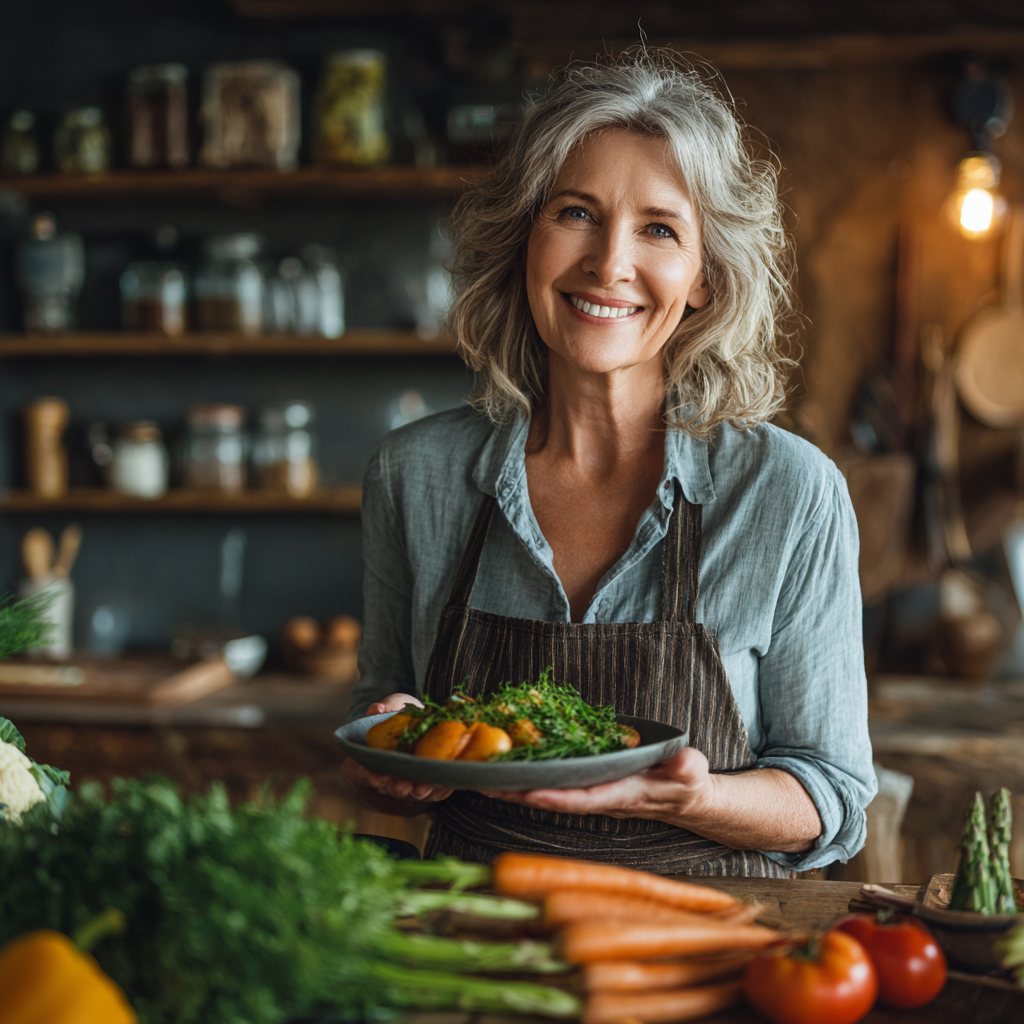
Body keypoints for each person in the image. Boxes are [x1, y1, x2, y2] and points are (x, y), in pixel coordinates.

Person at [341, 52, 876, 876]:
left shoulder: (790, 492)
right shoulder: (414, 475)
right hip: (476, 935)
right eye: (577, 213)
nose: (609, 262)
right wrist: (396, 752)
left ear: (704, 278)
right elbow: (374, 747)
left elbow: (831, 798)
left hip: (712, 947)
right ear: (527, 237)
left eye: (659, 229)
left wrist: (693, 797)